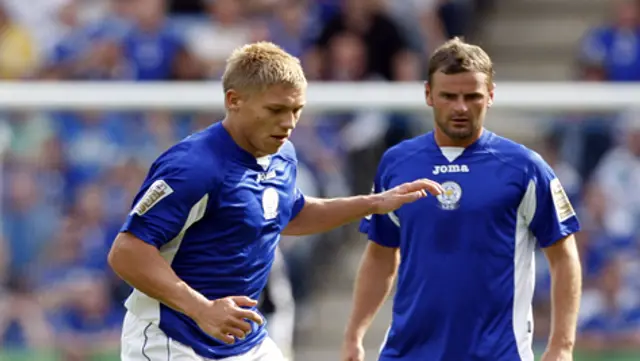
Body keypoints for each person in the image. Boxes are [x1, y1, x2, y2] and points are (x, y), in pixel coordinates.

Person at [107, 41, 443, 361]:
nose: (289, 123)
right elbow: (126, 251)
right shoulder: (192, 167)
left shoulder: (282, 154)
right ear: (234, 100)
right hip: (174, 341)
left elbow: (289, 214)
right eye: (276, 110)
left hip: (244, 340)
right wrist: (201, 309)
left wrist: (373, 202)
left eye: (297, 110)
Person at [341, 37, 583, 361]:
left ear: (491, 96)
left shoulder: (524, 167)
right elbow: (381, 254)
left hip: (498, 353)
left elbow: (564, 256)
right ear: (428, 94)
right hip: (408, 353)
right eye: (449, 96)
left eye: (472, 96)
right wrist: (355, 334)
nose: (460, 107)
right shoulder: (397, 163)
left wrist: (562, 346)